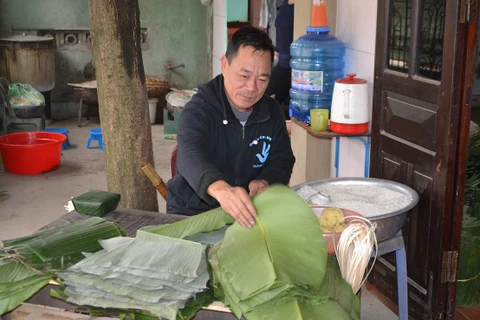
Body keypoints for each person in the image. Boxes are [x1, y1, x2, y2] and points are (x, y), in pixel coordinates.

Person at [166, 26, 295, 228]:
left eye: (262, 79)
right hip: (193, 212)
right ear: (225, 65)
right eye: (244, 76)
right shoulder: (200, 108)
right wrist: (222, 190)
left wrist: (266, 180)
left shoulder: (271, 112)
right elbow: (190, 154)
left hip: (249, 213)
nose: (252, 88)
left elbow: (282, 159)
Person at [266, 0, 294, 119]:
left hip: (294, 68)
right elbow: (282, 34)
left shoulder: (303, 6)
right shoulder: (285, 4)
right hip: (282, 65)